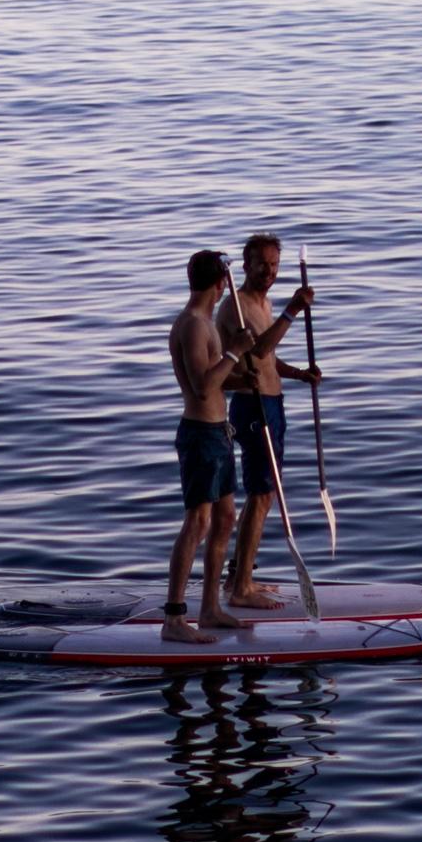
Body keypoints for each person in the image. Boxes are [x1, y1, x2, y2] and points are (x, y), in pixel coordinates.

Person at [217, 232, 321, 613]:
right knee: (261, 494)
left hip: (273, 403)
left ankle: (238, 575)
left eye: (275, 265)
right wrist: (292, 310)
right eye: (262, 264)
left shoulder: (264, 302)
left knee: (262, 495)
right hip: (252, 407)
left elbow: (269, 359)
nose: (269, 272)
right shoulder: (236, 307)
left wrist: (299, 374)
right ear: (246, 266)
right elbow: (257, 348)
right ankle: (241, 587)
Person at [163, 249, 244, 640]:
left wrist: (245, 377)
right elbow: (201, 385)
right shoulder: (194, 325)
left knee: (226, 518)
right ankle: (175, 618)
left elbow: (218, 378)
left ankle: (210, 608)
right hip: (200, 436)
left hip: (220, 433)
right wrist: (234, 352)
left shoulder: (206, 322)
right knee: (197, 522)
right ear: (221, 284)